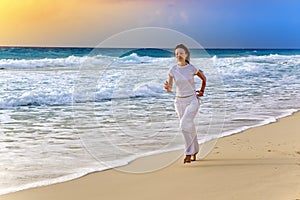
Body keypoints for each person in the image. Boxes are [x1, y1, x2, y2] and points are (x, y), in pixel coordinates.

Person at [164, 44, 206, 164]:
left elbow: (203, 78)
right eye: (176, 53)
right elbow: (170, 88)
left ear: (186, 54)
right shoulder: (173, 70)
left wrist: (202, 90)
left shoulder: (191, 68)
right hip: (179, 101)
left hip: (192, 100)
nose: (179, 55)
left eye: (181, 53)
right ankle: (195, 150)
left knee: (184, 125)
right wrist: (167, 88)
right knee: (188, 126)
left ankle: (188, 153)